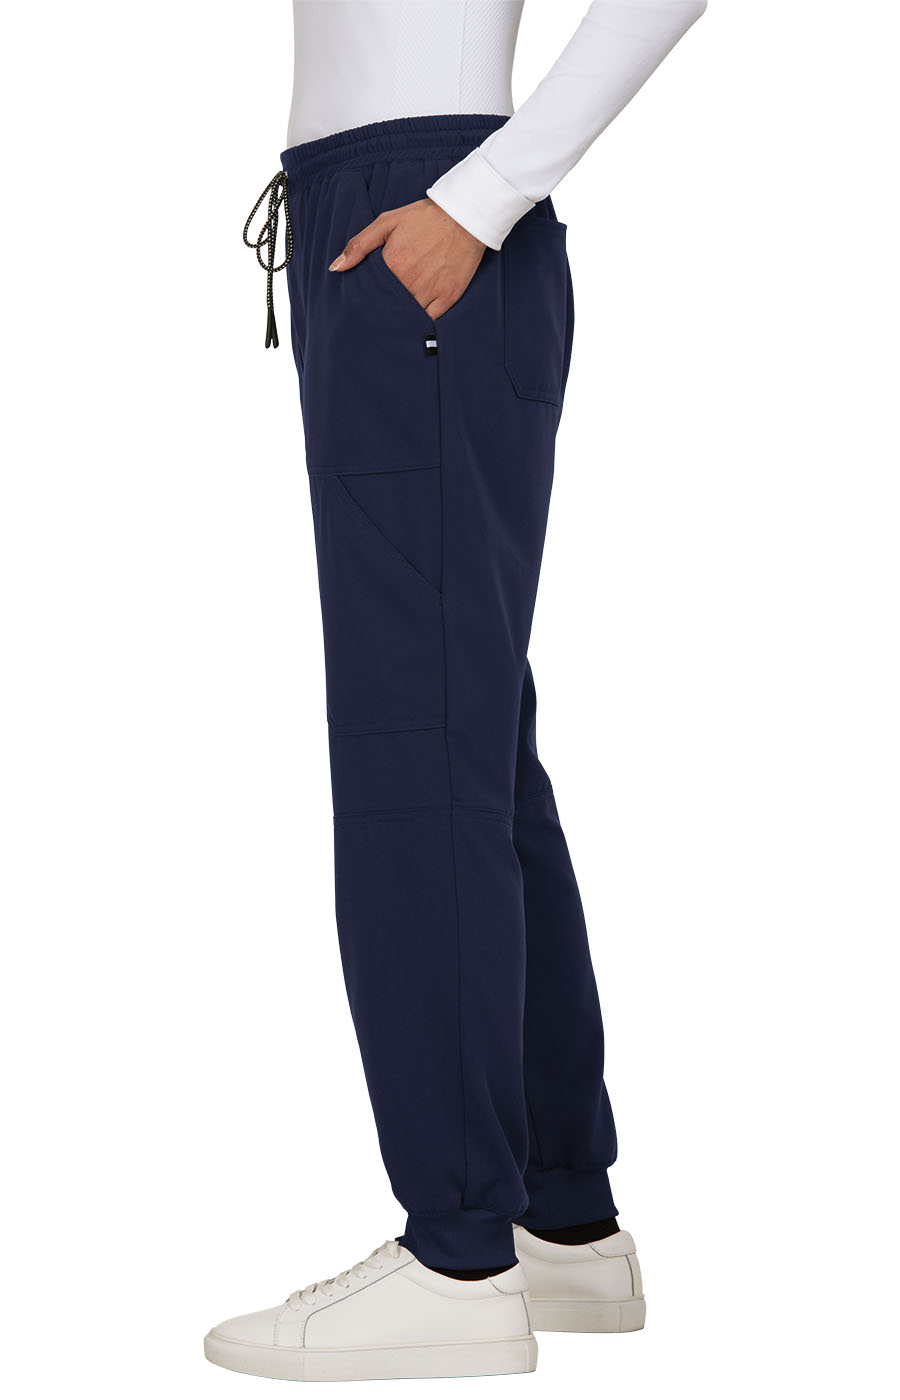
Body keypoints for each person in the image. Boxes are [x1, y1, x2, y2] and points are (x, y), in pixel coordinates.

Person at [206, 0, 706, 1383]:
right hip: (383, 213)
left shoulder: (455, 204)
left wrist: (479, 198)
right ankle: (559, 1221)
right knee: (468, 742)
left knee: (416, 754)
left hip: (426, 212)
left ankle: (458, 1259)